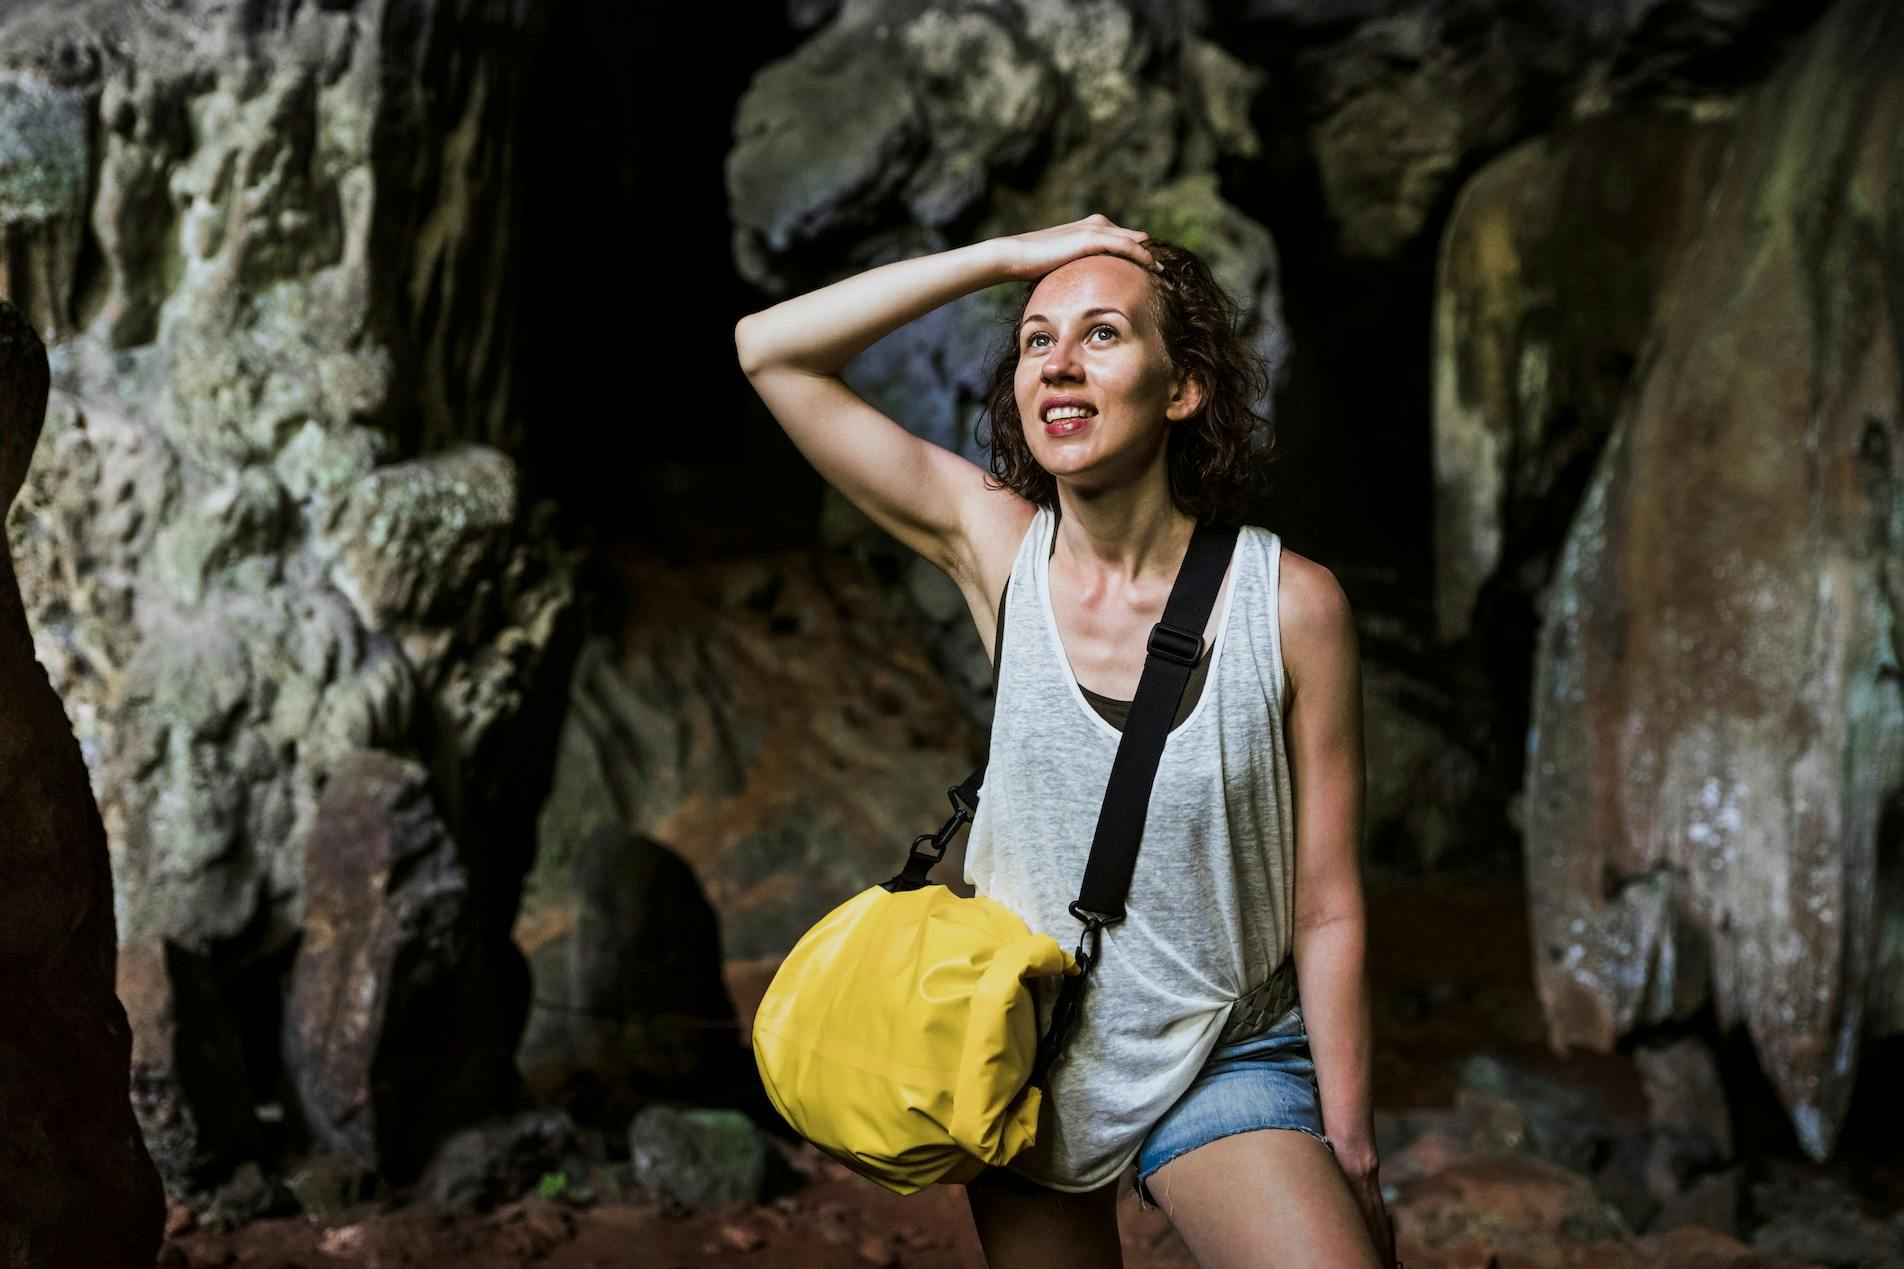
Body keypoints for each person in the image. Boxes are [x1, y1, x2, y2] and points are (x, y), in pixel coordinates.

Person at [735, 214, 1395, 1268]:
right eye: (1037, 339)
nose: (1058, 363)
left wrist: (1350, 1140)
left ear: (1182, 387)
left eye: (1101, 334)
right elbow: (770, 349)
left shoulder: (1290, 607)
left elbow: (1326, 905)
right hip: (1030, 1054)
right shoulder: (996, 547)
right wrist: (1005, 258)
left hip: (1222, 1047)